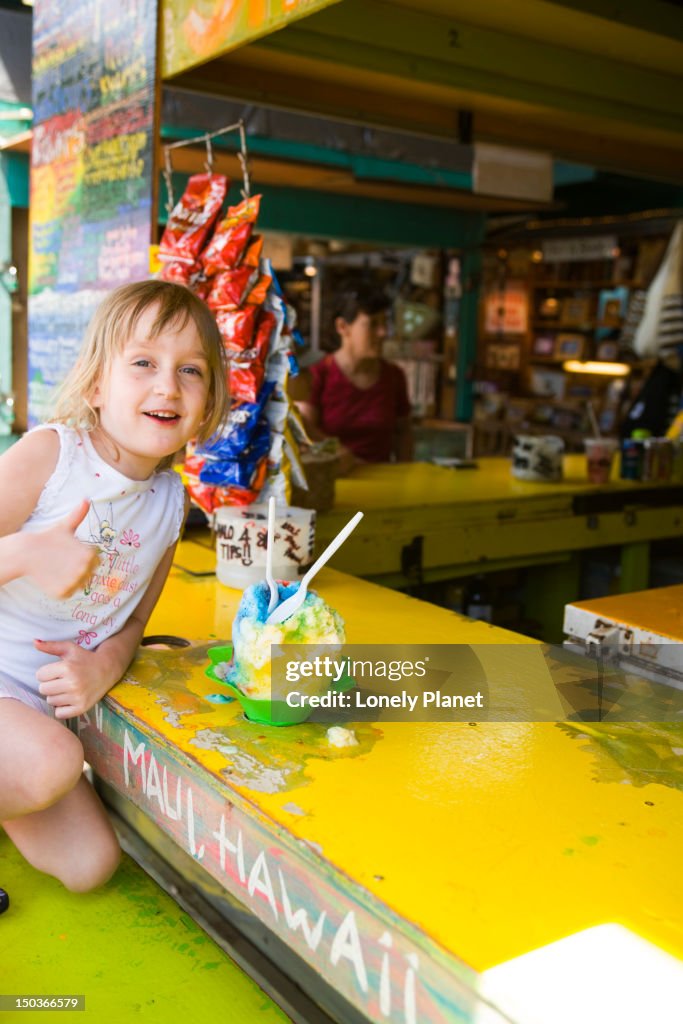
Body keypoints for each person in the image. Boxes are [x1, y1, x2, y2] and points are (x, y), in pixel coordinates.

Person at [0, 280, 227, 894]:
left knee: (89, 867)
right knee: (51, 762)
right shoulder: (53, 455)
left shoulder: (169, 501)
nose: (167, 386)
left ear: (206, 405)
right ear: (97, 385)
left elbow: (133, 623)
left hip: (36, 713)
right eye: (144, 363)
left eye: (191, 370)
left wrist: (105, 665)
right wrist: (24, 552)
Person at [293, 285, 413, 466]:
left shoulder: (394, 376)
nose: (383, 333)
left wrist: (406, 474)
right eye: (373, 324)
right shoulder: (319, 375)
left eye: (384, 323)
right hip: (333, 482)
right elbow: (305, 434)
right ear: (342, 326)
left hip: (383, 481)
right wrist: (336, 452)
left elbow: (404, 434)